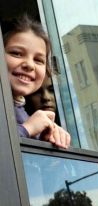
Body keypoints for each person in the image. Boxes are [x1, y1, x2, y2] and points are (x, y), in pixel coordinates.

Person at [3, 14, 70, 149]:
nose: (29, 65)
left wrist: (44, 143)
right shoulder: (28, 122)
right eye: (16, 53)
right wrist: (27, 129)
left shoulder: (24, 115)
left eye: (38, 60)